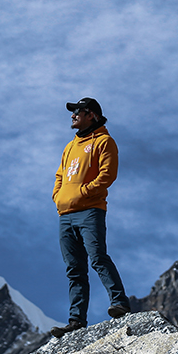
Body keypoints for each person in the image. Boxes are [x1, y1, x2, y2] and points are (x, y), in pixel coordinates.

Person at [50, 97, 131, 337]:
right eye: (72, 111)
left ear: (92, 115)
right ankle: (76, 321)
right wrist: (59, 196)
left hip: (90, 211)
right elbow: (60, 175)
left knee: (97, 258)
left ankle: (119, 302)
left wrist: (83, 193)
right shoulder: (70, 146)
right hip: (65, 215)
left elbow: (107, 175)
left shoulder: (104, 141)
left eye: (78, 111)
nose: (73, 115)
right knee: (74, 269)